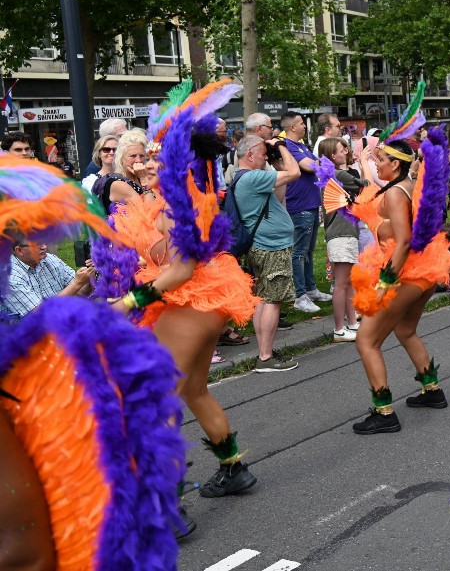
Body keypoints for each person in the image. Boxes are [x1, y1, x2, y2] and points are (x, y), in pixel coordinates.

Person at [0, 154, 185, 564]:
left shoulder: (41, 260)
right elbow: (44, 320)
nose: (42, 242)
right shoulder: (12, 275)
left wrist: (119, 288)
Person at [109, 79, 263, 508]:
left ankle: (166, 504)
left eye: (157, 155)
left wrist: (130, 300)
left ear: (178, 157)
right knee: (194, 389)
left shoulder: (180, 201)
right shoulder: (182, 193)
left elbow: (180, 269)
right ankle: (233, 467)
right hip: (209, 297)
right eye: (146, 157)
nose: (147, 162)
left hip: (193, 297)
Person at [349, 99, 450, 435]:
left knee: (366, 340)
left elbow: (405, 241)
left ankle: (384, 412)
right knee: (405, 330)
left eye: (380, 159)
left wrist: (385, 280)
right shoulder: (407, 187)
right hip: (426, 272)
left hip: (406, 274)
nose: (377, 164)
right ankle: (432, 390)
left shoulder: (395, 194)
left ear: (395, 163)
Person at [234, 134, 301, 371]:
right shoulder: (252, 177)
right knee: (274, 300)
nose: (265, 156)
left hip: (263, 245)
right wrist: (282, 146)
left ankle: (265, 350)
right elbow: (295, 172)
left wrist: (275, 162)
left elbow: (281, 191)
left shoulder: (246, 177)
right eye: (262, 153)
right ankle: (265, 357)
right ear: (249, 154)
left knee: (263, 299)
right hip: (271, 247)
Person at [281, 112, 332, 313]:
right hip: (299, 207)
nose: (305, 126)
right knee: (299, 253)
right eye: (302, 123)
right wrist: (324, 165)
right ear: (292, 127)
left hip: (310, 205)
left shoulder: (302, 145)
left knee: (309, 252)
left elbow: (316, 163)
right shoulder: (289, 146)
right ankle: (299, 295)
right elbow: (309, 166)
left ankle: (310, 289)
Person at [319, 136, 367, 341]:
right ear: (332, 155)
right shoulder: (337, 174)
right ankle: (339, 328)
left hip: (345, 232)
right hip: (341, 234)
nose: (346, 152)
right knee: (341, 284)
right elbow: (365, 184)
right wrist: (363, 161)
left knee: (346, 283)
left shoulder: (334, 173)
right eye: (342, 149)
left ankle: (352, 322)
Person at [0, 234, 94, 319]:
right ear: (19, 250)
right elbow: (40, 315)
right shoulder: (10, 276)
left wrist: (90, 277)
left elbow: (81, 293)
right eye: (38, 244)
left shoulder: (50, 259)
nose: (44, 247)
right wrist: (77, 283)